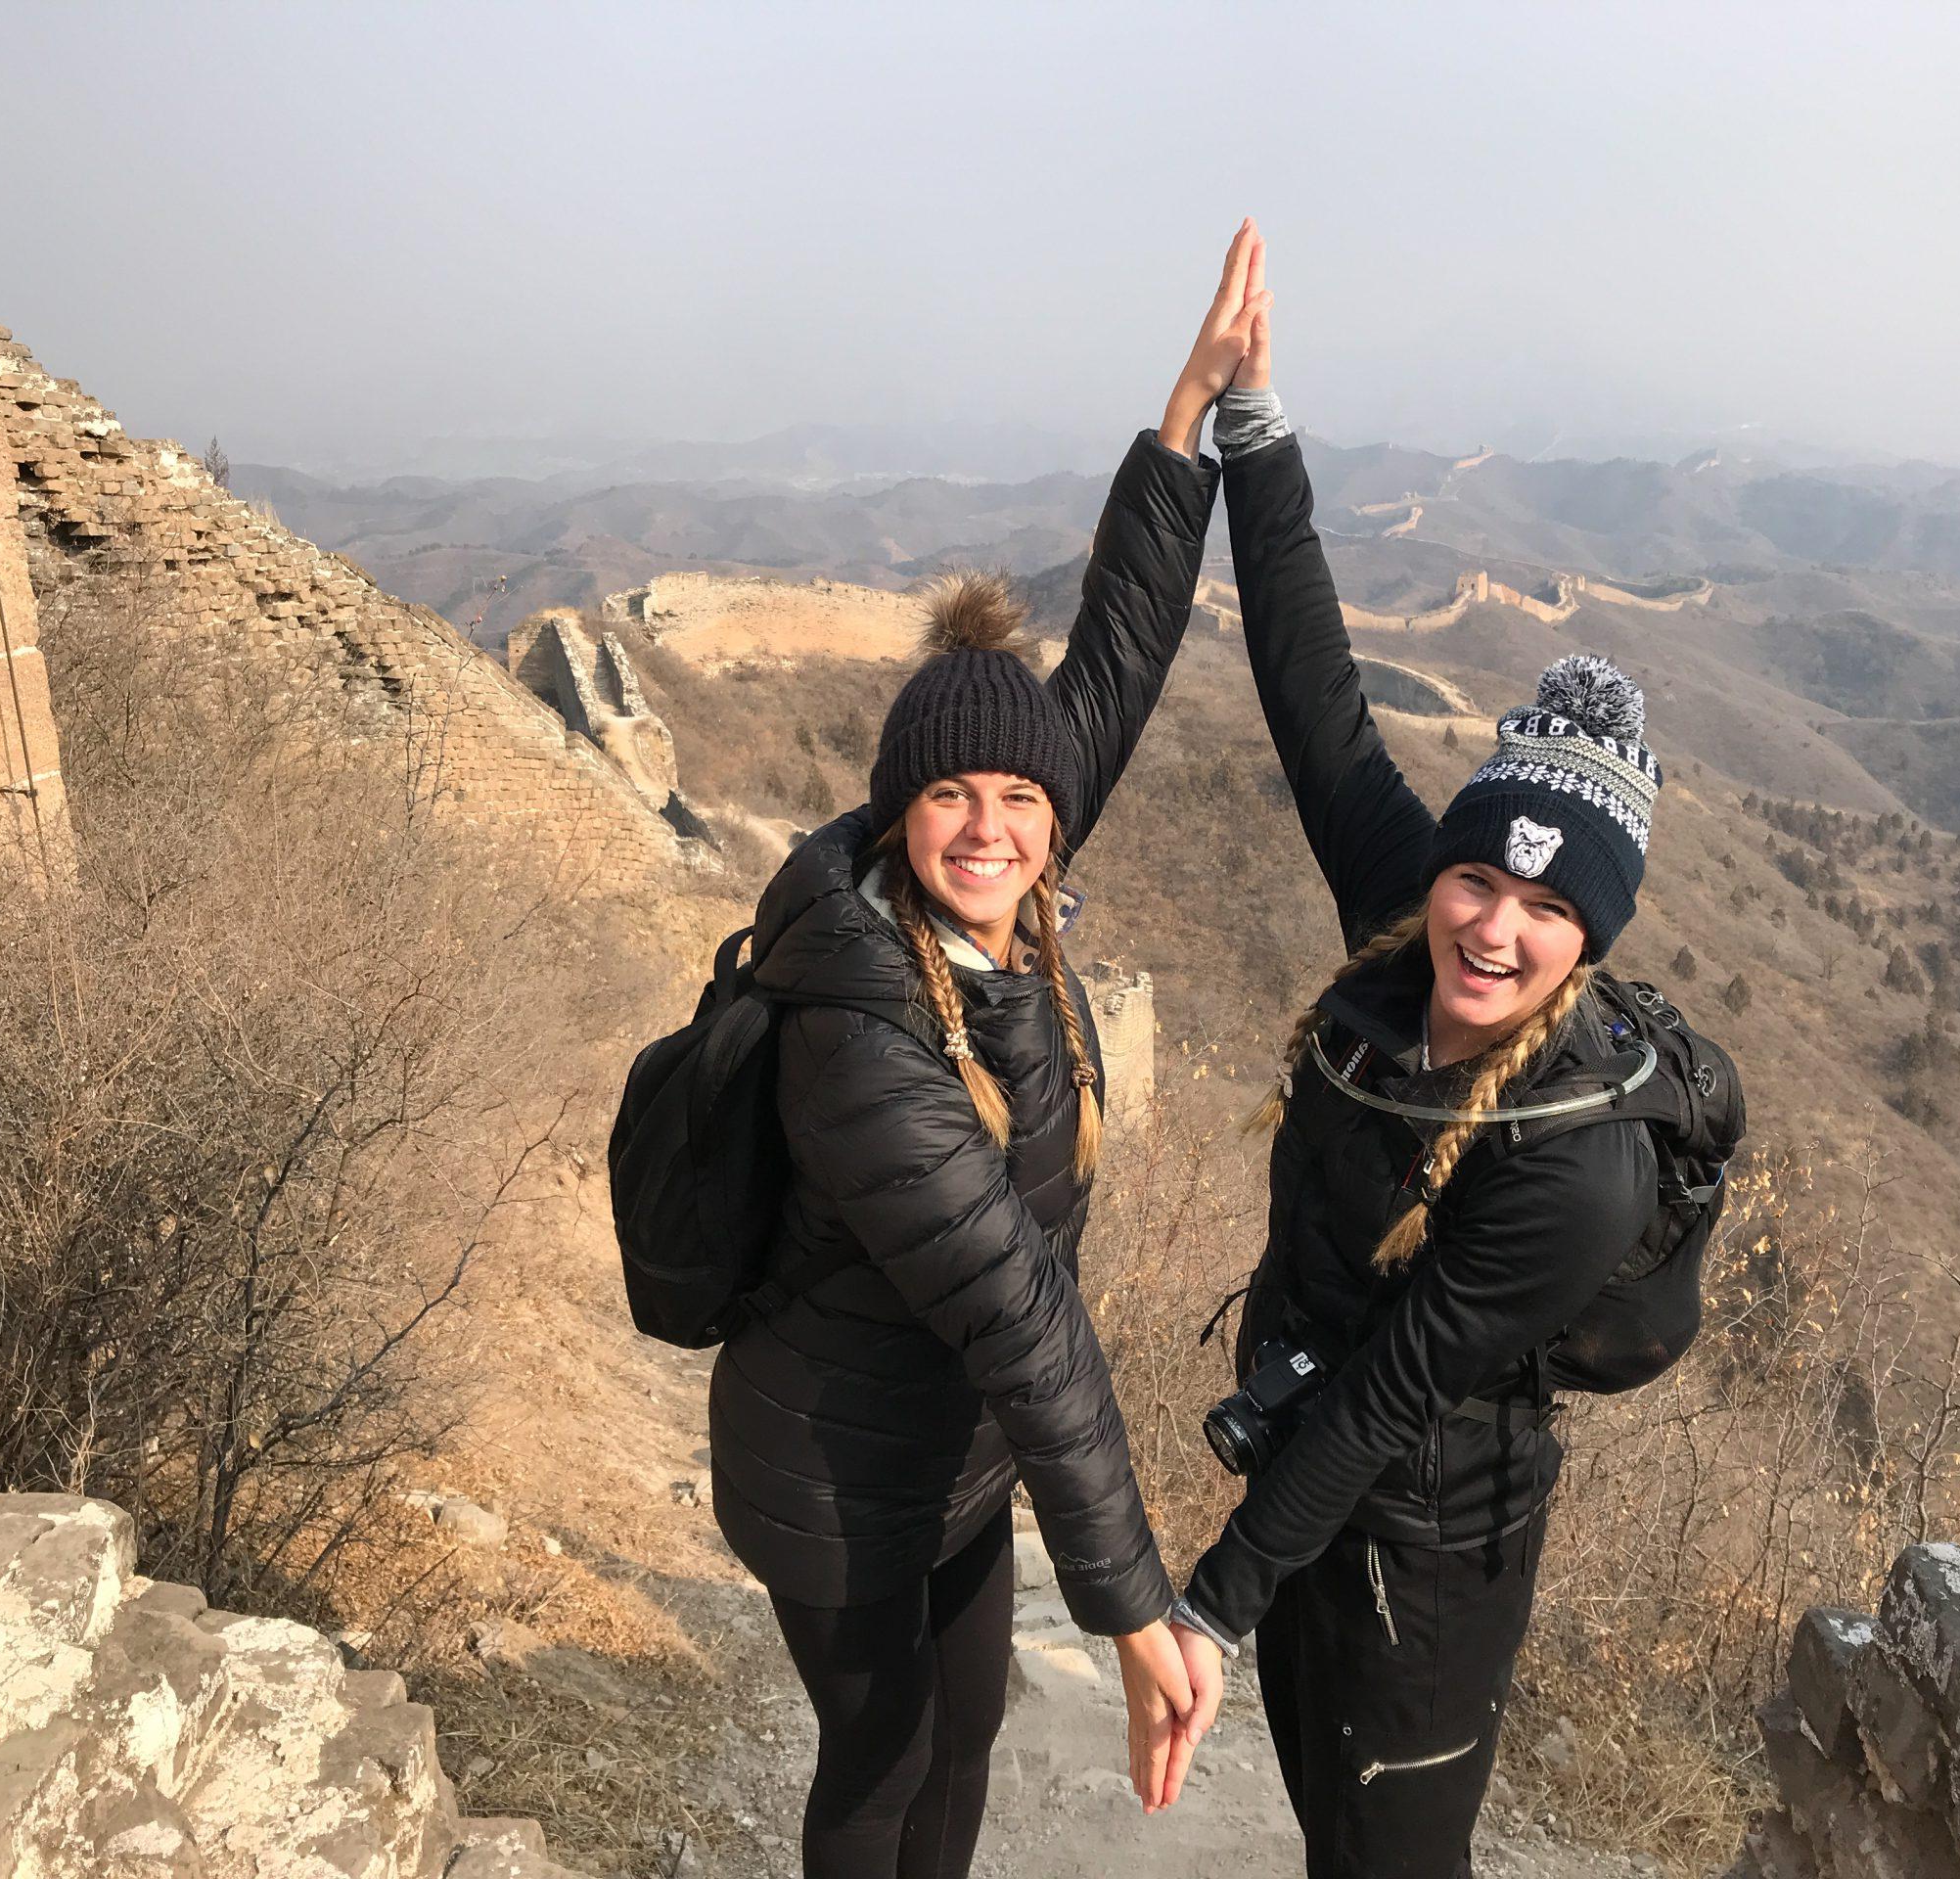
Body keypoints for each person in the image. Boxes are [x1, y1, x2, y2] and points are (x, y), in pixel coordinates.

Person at [706, 224, 1271, 1878]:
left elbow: (1110, 667)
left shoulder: (1010, 899)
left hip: (945, 1461)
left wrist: (1188, 419)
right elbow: (1025, 1320)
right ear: (900, 807)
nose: (992, 825)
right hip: (832, 1469)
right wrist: (1137, 1606)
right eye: (952, 794)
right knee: (881, 1771)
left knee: (967, 1743)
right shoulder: (860, 1022)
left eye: (1021, 800)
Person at [1163, 294, 1671, 1877]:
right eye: (1478, 881)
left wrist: (1209, 1604)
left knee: (1389, 1854)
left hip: (1431, 1547)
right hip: (1315, 1471)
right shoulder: (1411, 928)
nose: (1491, 929)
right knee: (1325, 1821)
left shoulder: (1575, 1160)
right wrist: (1250, 426)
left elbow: (1397, 1391)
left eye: (1545, 909)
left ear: (1591, 937)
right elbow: (1315, 697)